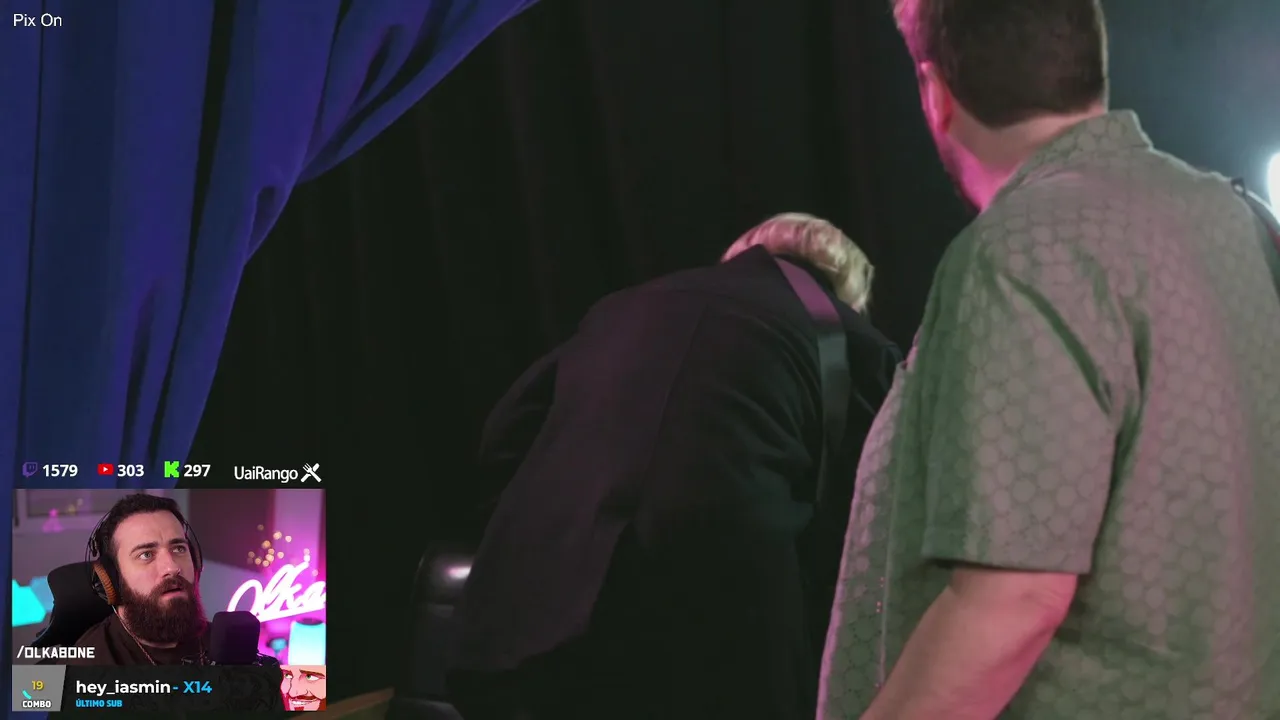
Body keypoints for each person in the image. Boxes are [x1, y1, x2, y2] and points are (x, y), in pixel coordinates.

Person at [818, 1, 1280, 719]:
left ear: (936, 93)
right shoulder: (1238, 217)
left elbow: (1013, 599)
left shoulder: (1024, 250)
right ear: (1091, 61)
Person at [449, 213, 901, 719]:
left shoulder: (622, 307)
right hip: (718, 613)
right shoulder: (851, 338)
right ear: (847, 283)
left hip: (545, 594)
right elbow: (881, 502)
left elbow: (506, 436)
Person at [63, 493, 210, 666]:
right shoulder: (85, 666)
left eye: (179, 549)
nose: (172, 567)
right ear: (112, 577)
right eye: (146, 554)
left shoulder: (227, 643)